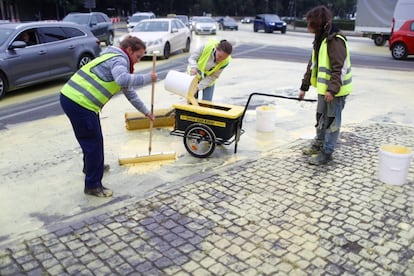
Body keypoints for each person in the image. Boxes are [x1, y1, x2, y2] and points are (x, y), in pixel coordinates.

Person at [60, 36, 157, 197]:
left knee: (90, 141)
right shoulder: (119, 60)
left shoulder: (111, 56)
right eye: (138, 56)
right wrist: (148, 78)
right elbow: (122, 79)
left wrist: (146, 112)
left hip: (73, 99)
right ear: (129, 50)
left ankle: (91, 167)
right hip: (80, 103)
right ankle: (92, 185)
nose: (138, 61)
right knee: (94, 144)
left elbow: (130, 93)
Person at [298, 5, 352, 165]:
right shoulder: (320, 38)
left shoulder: (335, 40)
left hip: (336, 92)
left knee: (332, 122)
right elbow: (312, 64)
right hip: (324, 90)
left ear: (320, 23)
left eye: (310, 23)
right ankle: (318, 145)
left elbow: (338, 68)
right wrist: (304, 87)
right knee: (321, 119)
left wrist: (332, 90)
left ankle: (327, 153)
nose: (308, 26)